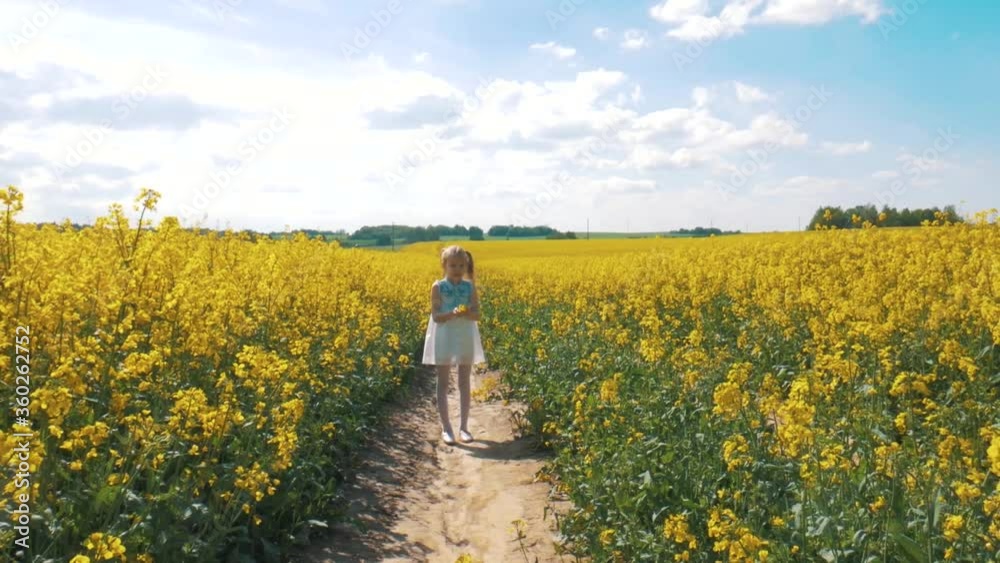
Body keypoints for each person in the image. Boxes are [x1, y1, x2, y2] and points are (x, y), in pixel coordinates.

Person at [421, 245, 486, 445]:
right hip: (444, 334)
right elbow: (436, 317)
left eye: (460, 265)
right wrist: (452, 314)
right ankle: (446, 428)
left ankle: (464, 428)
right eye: (452, 265)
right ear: (444, 265)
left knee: (464, 381)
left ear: (466, 266)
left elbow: (477, 314)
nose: (457, 269)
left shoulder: (470, 286)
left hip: (465, 333)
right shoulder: (437, 287)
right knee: (443, 381)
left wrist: (466, 313)